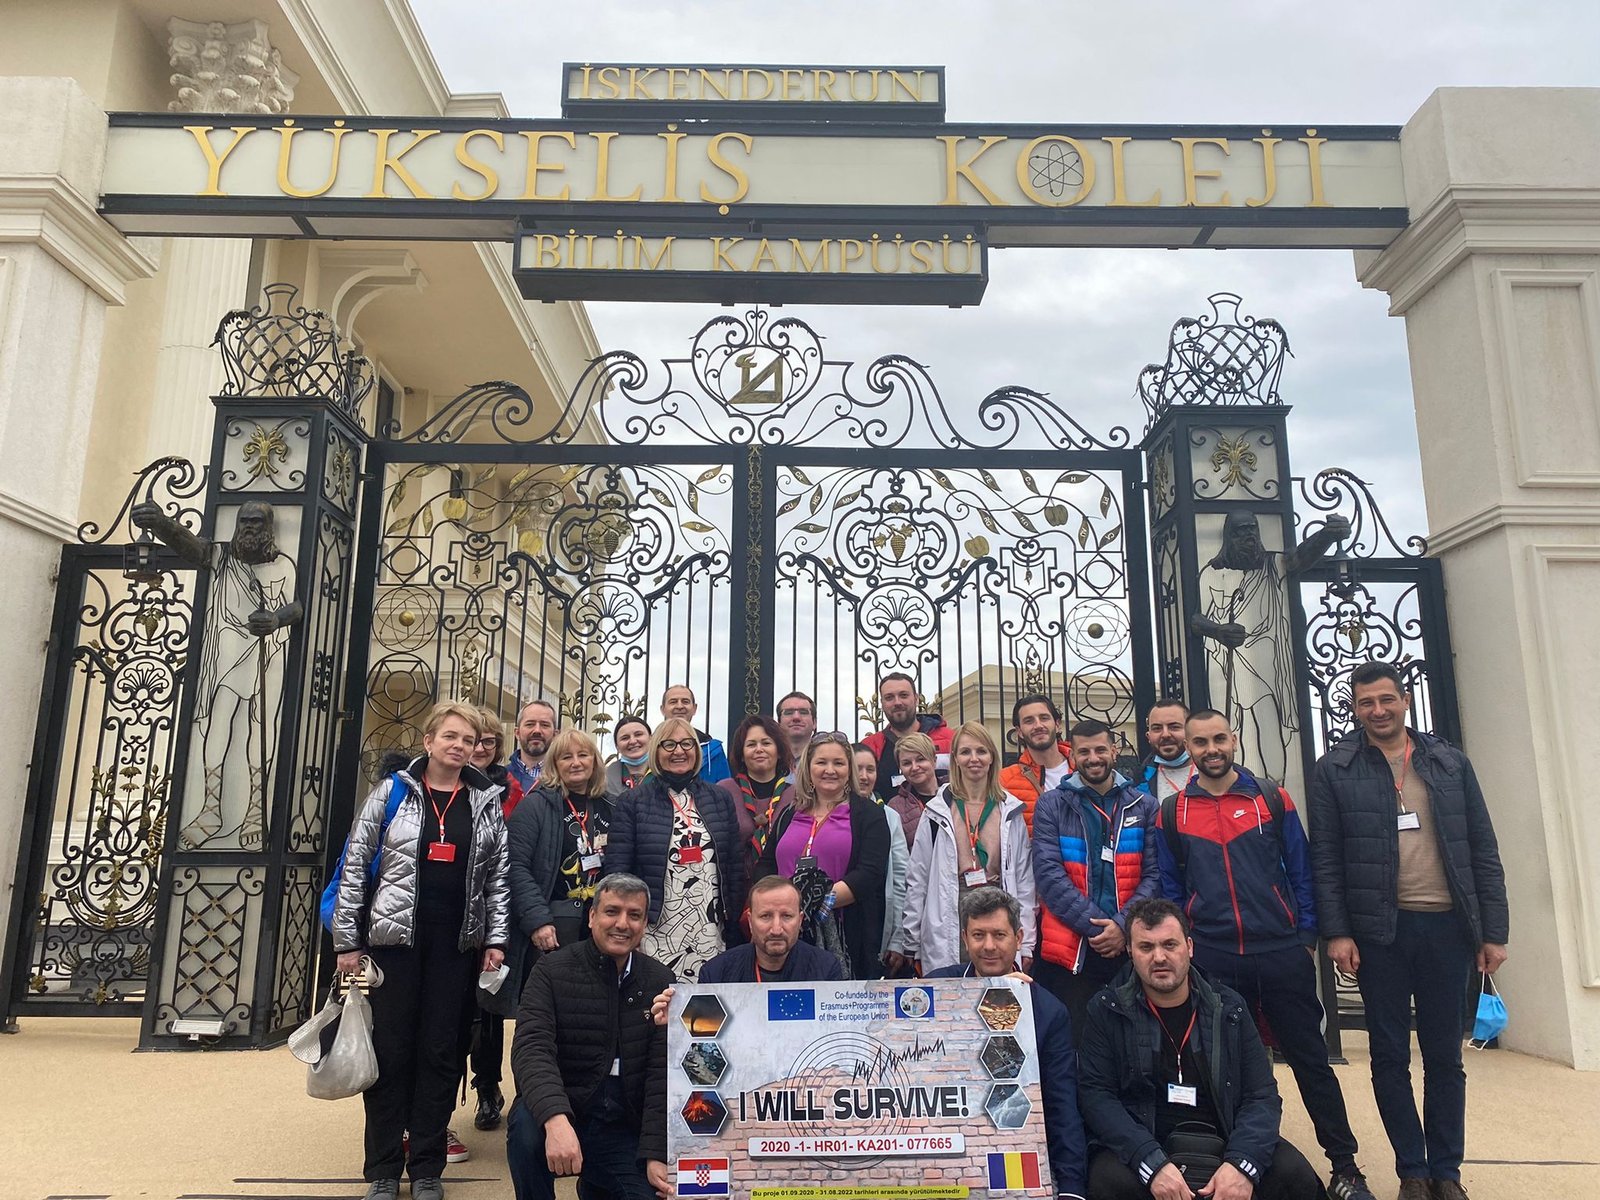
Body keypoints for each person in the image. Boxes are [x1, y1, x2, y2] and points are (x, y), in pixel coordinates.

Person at [1310, 662, 1509, 1200]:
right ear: (1354, 710)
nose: (1377, 711)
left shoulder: (1449, 763)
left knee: (1445, 1057)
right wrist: (1338, 932)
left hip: (1447, 929)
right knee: (1390, 1057)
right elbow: (1325, 858)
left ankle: (1447, 1172)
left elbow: (1483, 848)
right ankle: (1412, 1172)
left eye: (1386, 699)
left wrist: (1493, 931)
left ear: (1405, 700)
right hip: (1381, 934)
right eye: (1365, 703)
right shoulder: (1335, 769)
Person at [1156, 708, 1374, 1200]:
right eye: (1200, 743)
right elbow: (1171, 888)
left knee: (1310, 1062)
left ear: (1232, 740)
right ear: (1188, 750)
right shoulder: (1172, 813)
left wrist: (1306, 938)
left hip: (1279, 951)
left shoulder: (1272, 799)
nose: (1211, 749)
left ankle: (1345, 1167)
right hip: (1213, 956)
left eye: (1218, 739)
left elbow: (1302, 869)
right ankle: (1230, 1164)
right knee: (1222, 1068)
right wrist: (1189, 945)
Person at [330, 702, 510, 1200]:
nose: (460, 746)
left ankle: (428, 1166)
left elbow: (497, 881)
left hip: (455, 948)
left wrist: (495, 939)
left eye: (468, 739)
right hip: (394, 946)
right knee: (390, 1053)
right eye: (450, 736)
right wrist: (347, 942)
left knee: (441, 1053)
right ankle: (384, 1169)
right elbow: (355, 865)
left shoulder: (485, 802)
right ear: (428, 741)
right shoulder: (391, 793)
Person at [1077, 898, 1326, 1200]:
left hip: (1224, 1138)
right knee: (1106, 1180)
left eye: (1170, 945)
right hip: (1148, 1140)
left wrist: (1242, 1164)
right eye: (1146, 947)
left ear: (1189, 947)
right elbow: (1097, 1096)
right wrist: (1151, 1164)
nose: (1159, 957)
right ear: (1130, 951)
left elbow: (1261, 1095)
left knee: (1294, 1174)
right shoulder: (1107, 1009)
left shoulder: (1229, 1008)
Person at [131, 498, 302, 851]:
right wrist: (161, 523)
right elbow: (191, 546)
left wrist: (275, 620)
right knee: (218, 722)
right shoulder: (223, 557)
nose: (250, 527)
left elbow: (296, 606)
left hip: (269, 652)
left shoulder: (283, 565)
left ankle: (256, 809)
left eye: (257, 522)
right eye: (244, 521)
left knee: (263, 725)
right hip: (227, 652)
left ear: (269, 528)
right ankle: (211, 810)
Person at [506, 873, 674, 1200]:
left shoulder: (660, 979)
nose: (622, 924)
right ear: (592, 916)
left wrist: (656, 1151)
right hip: (565, 1108)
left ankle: (595, 1185)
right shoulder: (550, 971)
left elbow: (661, 1076)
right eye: (612, 911)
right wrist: (555, 1120)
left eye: (634, 915)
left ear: (644, 924)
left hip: (622, 1124)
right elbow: (532, 1050)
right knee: (526, 1128)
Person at [925, 887, 1088, 1200]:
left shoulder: (1046, 1010)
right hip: (943, 1153)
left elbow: (1061, 1104)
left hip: (1011, 1149)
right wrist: (988, 993)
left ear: (1019, 937)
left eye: (999, 935)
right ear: (964, 938)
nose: (989, 946)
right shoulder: (938, 988)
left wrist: (1072, 1189)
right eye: (978, 935)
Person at [1189, 510, 1348, 782]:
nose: (1248, 536)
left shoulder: (1272, 565)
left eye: (1252, 529)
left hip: (1264, 659)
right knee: (1227, 726)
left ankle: (1276, 787)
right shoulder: (1212, 573)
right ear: (1228, 537)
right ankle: (1232, 784)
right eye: (1240, 531)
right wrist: (1218, 631)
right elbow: (1196, 619)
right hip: (1224, 662)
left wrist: (1326, 535)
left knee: (1268, 721)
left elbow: (1299, 558)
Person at [1032, 719, 1160, 1039]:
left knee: (1134, 1040)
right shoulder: (1051, 804)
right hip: (1073, 948)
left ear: (1114, 751)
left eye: (1101, 750)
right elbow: (1049, 876)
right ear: (1072, 755)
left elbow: (1154, 875)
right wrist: (1100, 929)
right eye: (1084, 752)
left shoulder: (1144, 806)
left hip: (1130, 946)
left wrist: (1122, 925)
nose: (1093, 758)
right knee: (1078, 1042)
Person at [603, 718, 744, 981]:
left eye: (686, 743)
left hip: (711, 927)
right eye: (669, 744)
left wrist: (734, 921)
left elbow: (734, 865)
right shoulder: (633, 801)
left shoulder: (719, 798)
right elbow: (618, 871)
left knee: (707, 998)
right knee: (660, 997)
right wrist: (626, 925)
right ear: (656, 750)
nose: (679, 751)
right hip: (656, 928)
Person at [889, 722, 1036, 975]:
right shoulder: (937, 811)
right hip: (950, 905)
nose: (974, 759)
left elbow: (1024, 880)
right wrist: (912, 940)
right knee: (951, 988)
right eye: (966, 752)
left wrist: (1027, 942)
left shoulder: (1010, 810)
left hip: (998, 905)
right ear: (955, 758)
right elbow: (918, 878)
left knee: (995, 989)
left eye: (981, 751)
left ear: (992, 757)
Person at [755, 731, 890, 980]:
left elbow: (869, 873)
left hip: (844, 929)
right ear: (808, 767)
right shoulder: (789, 813)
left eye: (838, 763)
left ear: (849, 769)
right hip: (783, 928)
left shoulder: (869, 814)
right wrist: (783, 907)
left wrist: (812, 903)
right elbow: (766, 863)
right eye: (821, 762)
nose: (830, 770)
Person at [468, 708, 524, 1134]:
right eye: (474, 740)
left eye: (489, 741)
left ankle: (488, 1087)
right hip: (449, 910)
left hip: (494, 909)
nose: (480, 748)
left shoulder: (511, 790)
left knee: (488, 1006)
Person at [700, 874, 845, 982]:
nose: (776, 929)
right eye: (766, 916)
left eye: (786, 916)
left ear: (800, 920)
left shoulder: (826, 969)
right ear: (750, 921)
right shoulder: (716, 973)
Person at [718, 714, 795, 915]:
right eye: (751, 744)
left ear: (779, 751)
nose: (759, 749)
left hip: (782, 892)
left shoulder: (796, 795)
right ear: (742, 754)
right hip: (733, 893)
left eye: (766, 743)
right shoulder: (724, 791)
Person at [861, 672, 953, 803]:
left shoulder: (950, 739)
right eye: (889, 697)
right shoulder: (869, 747)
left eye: (903, 695)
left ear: (916, 698)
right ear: (882, 703)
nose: (897, 702)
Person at [1000, 693, 1073, 832]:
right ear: (1019, 732)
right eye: (1029, 721)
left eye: (1044, 718)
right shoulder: (1004, 781)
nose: (1038, 725)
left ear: (1057, 724)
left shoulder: (1083, 769)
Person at [659, 684, 731, 783]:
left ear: (694, 708)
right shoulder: (650, 748)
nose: (679, 706)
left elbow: (725, 787)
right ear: (663, 709)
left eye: (685, 701)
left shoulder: (713, 750)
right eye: (673, 702)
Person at [885, 731, 940, 849]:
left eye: (920, 759)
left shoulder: (956, 795)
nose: (914, 767)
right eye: (907, 763)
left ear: (934, 761)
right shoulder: (895, 807)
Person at [1140, 697, 1194, 803]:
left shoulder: (1216, 773)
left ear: (1191, 732)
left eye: (1174, 727)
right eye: (1157, 728)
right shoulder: (1138, 783)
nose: (1165, 734)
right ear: (1148, 736)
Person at [509, 699, 558, 794]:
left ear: (555, 735)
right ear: (517, 733)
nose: (537, 730)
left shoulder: (564, 779)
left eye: (544, 725)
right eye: (530, 724)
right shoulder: (500, 778)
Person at [605, 715, 652, 792]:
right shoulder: (604, 781)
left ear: (651, 738)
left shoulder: (666, 773)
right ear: (617, 747)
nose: (632, 741)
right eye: (625, 738)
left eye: (638, 734)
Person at [775, 690, 818, 772]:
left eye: (803, 712)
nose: (796, 717)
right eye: (789, 712)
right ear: (779, 722)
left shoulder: (826, 760)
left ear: (814, 723)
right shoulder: (768, 759)